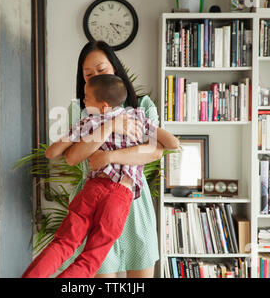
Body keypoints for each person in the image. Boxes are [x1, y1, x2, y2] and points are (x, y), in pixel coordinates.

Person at [21, 74, 179, 278]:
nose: (83, 101)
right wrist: (148, 129)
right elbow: (172, 143)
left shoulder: (89, 122)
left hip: (93, 189)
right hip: (119, 195)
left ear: (103, 106)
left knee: (63, 243)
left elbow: (51, 152)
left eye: (86, 97)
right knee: (91, 258)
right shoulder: (138, 119)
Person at [61, 41, 166, 278]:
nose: (95, 77)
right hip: (94, 203)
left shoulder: (142, 105)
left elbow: (154, 152)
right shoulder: (79, 110)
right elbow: (75, 157)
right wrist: (112, 125)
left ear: (115, 69)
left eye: (101, 70)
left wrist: (109, 155)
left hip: (134, 203)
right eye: (88, 74)